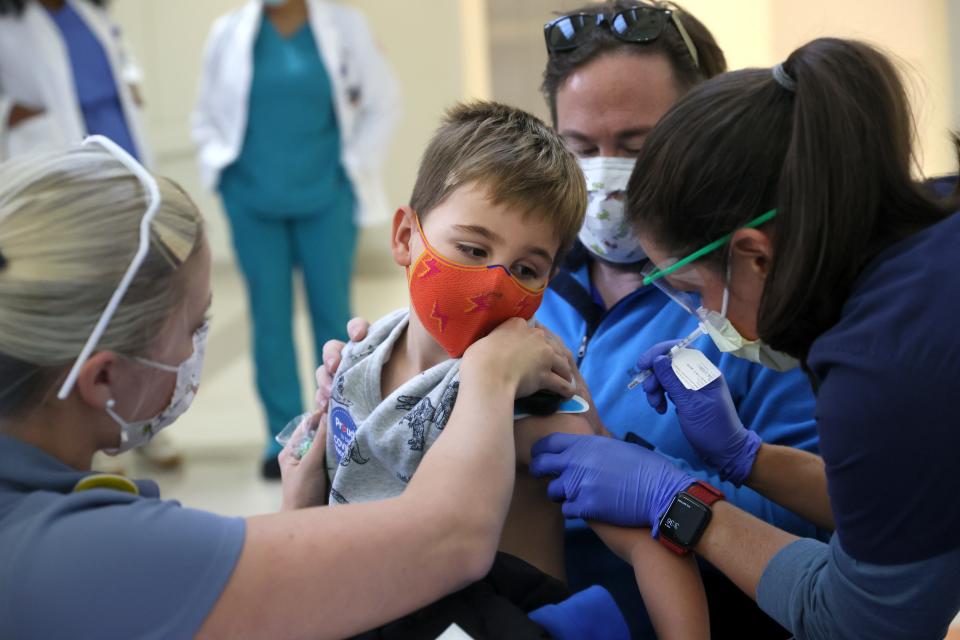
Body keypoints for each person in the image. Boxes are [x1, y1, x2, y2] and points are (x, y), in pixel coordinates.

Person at [318, 2, 822, 636]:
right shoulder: (523, 286)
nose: (606, 176)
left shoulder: (747, 304)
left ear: (701, 143)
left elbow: (828, 535)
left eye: (637, 146)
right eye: (581, 146)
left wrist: (672, 494)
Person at [0, 139, 581, 638]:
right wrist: (491, 373)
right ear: (101, 376)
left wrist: (299, 507)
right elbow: (447, 540)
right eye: (194, 327)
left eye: (528, 268)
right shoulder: (82, 554)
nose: (491, 283)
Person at [530, 37, 960, 639]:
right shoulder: (933, 232)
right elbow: (906, 504)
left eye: (692, 290)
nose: (703, 315)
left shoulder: (879, 363)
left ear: (754, 258)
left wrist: (678, 500)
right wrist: (748, 460)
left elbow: (857, 622)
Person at [318, 100, 708, 638]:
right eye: (473, 248)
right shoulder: (359, 358)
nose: (495, 282)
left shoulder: (534, 401)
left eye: (526, 269)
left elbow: (650, 536)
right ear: (407, 238)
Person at [192, 0, 399, 478]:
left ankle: (338, 430)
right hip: (251, 199)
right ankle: (278, 436)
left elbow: (383, 101)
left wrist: (357, 166)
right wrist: (221, 174)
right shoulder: (228, 33)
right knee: (269, 320)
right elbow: (205, 114)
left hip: (326, 197)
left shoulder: (345, 27)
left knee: (335, 320)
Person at [0, 0, 185, 470]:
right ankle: (85, 438)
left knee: (139, 307)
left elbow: (120, 61)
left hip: (122, 165)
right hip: (60, 181)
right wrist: (10, 112)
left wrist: (131, 82)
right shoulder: (11, 24)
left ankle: (144, 424)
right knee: (85, 314)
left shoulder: (90, 13)